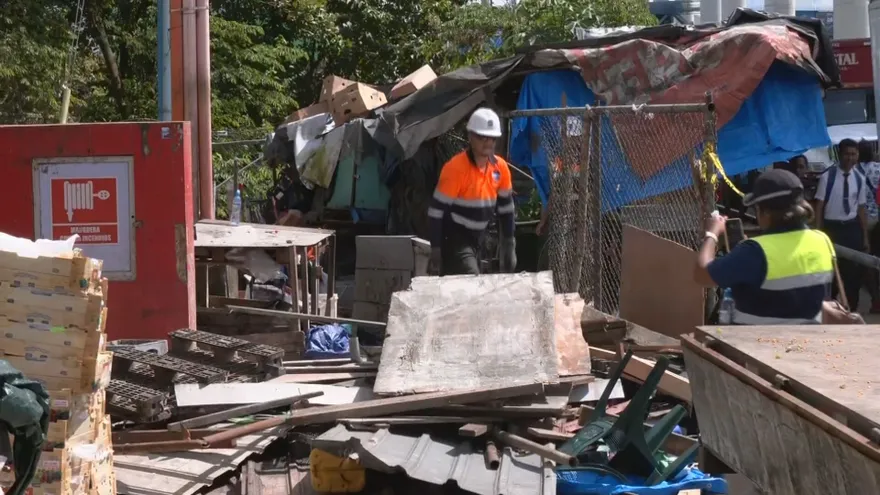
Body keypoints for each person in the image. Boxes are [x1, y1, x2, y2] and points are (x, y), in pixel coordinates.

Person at [693, 169, 834, 324]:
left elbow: (702, 274)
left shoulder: (755, 251)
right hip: (809, 337)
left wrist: (712, 233)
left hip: (759, 338)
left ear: (765, 212)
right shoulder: (822, 240)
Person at [427, 108, 516, 275]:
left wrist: (509, 243)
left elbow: (506, 208)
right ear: (470, 137)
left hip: (480, 238)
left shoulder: (500, 168)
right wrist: (436, 250)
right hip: (455, 238)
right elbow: (436, 212)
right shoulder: (455, 169)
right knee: (471, 278)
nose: (488, 143)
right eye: (482, 137)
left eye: (492, 138)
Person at [815, 138, 871, 310]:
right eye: (847, 154)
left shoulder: (859, 178)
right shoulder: (828, 177)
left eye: (854, 154)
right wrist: (818, 232)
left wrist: (865, 237)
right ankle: (830, 310)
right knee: (831, 273)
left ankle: (851, 310)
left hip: (852, 229)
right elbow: (819, 206)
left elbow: (861, 208)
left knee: (852, 275)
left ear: (858, 155)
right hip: (832, 229)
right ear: (840, 155)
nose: (850, 158)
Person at [856, 139, 880, 312]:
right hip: (879, 218)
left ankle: (875, 299)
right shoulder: (879, 169)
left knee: (866, 260)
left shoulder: (853, 171)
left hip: (863, 220)